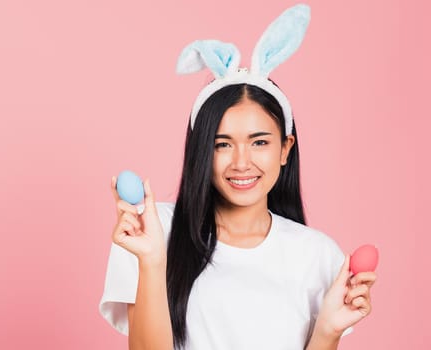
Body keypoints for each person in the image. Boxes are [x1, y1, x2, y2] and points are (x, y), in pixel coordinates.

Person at [98, 4, 377, 350]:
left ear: (285, 148)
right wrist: (152, 260)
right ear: (201, 150)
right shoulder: (154, 231)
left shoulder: (319, 255)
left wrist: (327, 332)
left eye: (259, 142)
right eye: (222, 144)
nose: (241, 162)